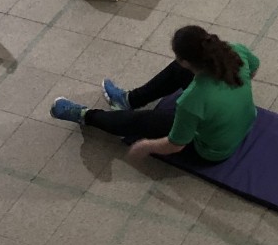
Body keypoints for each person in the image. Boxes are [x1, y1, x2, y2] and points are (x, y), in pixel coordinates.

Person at [50, 25, 259, 163]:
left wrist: (146, 146)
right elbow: (254, 68)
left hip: (212, 151)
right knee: (178, 71)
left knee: (144, 120)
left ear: (186, 59)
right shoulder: (235, 51)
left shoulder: (192, 100)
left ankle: (86, 116)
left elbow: (176, 145)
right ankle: (129, 100)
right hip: (247, 122)